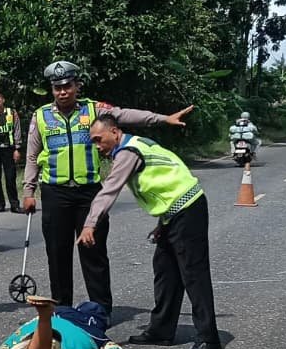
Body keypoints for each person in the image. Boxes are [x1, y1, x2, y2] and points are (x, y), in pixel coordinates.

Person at [21, 60, 194, 313]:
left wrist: (163, 119)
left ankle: (101, 310)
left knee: (94, 253)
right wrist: (28, 191)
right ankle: (62, 311)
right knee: (57, 255)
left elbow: (126, 115)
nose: (62, 92)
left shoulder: (94, 110)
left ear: (76, 86)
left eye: (67, 86)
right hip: (55, 192)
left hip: (89, 192)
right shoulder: (41, 116)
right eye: (57, 88)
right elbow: (32, 156)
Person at [77, 115, 223, 349]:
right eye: (93, 142)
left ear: (114, 132)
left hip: (188, 210)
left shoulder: (128, 152)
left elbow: (109, 190)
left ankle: (209, 339)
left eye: (99, 140)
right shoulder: (135, 145)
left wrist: (89, 224)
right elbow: (164, 184)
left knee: (193, 275)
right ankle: (162, 330)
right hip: (174, 212)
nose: (97, 146)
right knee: (165, 271)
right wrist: (162, 223)